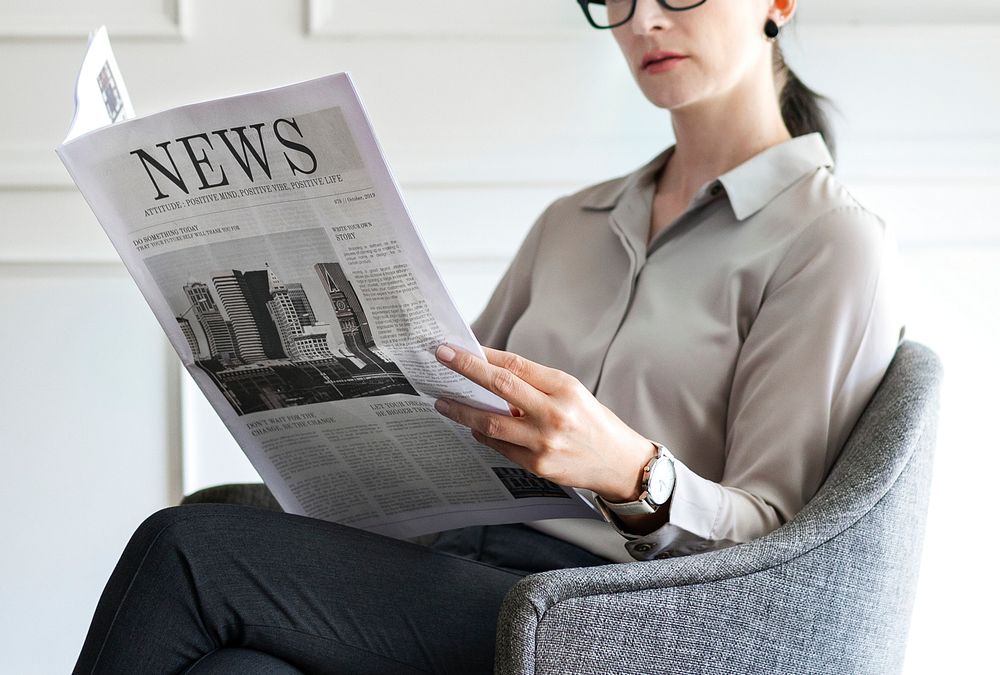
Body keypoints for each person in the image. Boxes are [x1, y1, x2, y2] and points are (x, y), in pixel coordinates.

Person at [72, 0, 905, 673]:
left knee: (186, 552)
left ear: (780, 3)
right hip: (456, 564)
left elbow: (781, 549)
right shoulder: (570, 223)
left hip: (603, 614)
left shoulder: (829, 242)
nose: (643, 19)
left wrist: (629, 468)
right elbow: (454, 405)